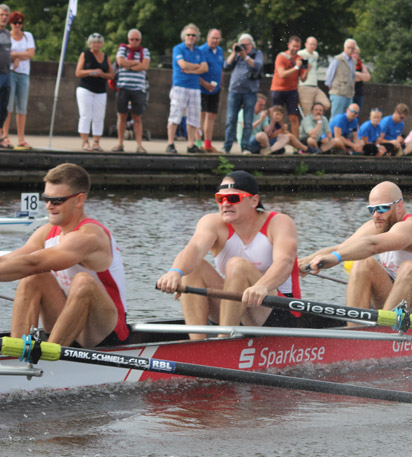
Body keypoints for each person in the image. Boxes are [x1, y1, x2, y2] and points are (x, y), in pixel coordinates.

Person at [156, 171, 300, 340]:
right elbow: (194, 248)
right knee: (194, 269)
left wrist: (262, 285)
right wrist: (175, 272)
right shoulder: (212, 222)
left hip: (278, 311)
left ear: (254, 201)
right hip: (234, 308)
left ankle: (223, 341)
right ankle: (197, 345)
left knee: (237, 265)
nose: (225, 204)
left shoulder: (279, 222)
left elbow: (285, 262)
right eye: (220, 199)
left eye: (233, 199)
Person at [5, 163, 128, 348]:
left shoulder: (90, 235)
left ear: (79, 200)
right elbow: (10, 260)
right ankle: (16, 351)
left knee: (82, 281)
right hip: (66, 321)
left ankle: (49, 354)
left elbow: (33, 262)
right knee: (34, 277)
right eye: (46, 199)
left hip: (105, 330)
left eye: (57, 201)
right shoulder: (46, 232)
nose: (48, 206)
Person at [299, 181, 412, 318]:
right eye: (372, 209)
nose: (376, 215)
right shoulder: (379, 224)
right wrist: (301, 263)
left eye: (382, 208)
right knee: (363, 264)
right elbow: (341, 247)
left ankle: (384, 333)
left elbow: (373, 245)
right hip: (398, 297)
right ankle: (354, 333)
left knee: (409, 268)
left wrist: (337, 258)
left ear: (399, 206)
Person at [166, 24, 207, 154]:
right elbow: (182, 64)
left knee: (194, 117)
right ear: (184, 36)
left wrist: (190, 70)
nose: (190, 37)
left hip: (195, 87)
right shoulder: (178, 48)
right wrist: (197, 67)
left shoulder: (199, 51)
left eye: (193, 35)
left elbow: (205, 68)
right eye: (188, 34)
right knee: (175, 115)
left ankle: (191, 145)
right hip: (180, 86)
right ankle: (170, 143)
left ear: (197, 37)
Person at [223, 33, 263, 154]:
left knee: (248, 121)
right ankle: (227, 146)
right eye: (242, 45)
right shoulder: (237, 55)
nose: (244, 47)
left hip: (250, 92)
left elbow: (257, 66)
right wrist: (235, 52)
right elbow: (225, 65)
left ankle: (245, 147)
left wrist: (245, 56)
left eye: (246, 45)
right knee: (230, 119)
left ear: (252, 45)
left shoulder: (257, 53)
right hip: (234, 91)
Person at [112, 28, 150, 153]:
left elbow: (144, 66)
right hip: (123, 87)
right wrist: (135, 63)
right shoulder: (123, 49)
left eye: (137, 39)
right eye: (132, 39)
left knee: (137, 117)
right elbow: (120, 61)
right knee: (121, 116)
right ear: (128, 39)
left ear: (140, 40)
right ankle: (120, 143)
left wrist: (128, 64)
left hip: (138, 88)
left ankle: (139, 145)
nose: (134, 41)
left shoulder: (145, 51)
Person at [75, 33, 113, 152]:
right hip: (85, 88)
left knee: (99, 116)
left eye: (98, 42)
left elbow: (111, 75)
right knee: (86, 115)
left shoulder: (106, 57)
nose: (96, 44)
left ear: (101, 44)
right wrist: (92, 72)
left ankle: (96, 141)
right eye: (94, 42)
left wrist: (102, 74)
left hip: (100, 90)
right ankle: (85, 141)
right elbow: (78, 72)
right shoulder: (85, 54)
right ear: (90, 43)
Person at [3, 10, 33, 150]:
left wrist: (16, 55)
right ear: (11, 23)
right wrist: (17, 56)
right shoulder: (7, 36)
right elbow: (5, 53)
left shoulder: (27, 36)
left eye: (20, 22)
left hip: (24, 74)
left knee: (22, 107)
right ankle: (5, 136)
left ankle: (21, 138)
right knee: (7, 107)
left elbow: (30, 53)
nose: (18, 25)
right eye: (15, 22)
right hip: (10, 73)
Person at [270, 36, 308, 139]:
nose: (296, 48)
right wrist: (296, 67)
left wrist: (307, 70)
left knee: (294, 117)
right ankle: (275, 141)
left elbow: (303, 79)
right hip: (278, 90)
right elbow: (282, 74)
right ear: (289, 45)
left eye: (298, 47)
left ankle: (296, 144)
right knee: (277, 116)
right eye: (294, 46)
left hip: (292, 91)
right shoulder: (281, 57)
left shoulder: (301, 59)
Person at [198, 29, 224, 153]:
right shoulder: (200, 50)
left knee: (211, 116)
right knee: (200, 116)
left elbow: (220, 68)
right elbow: (196, 71)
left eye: (217, 38)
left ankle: (208, 144)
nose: (215, 41)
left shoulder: (220, 51)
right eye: (213, 38)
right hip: (202, 88)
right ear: (207, 38)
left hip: (215, 89)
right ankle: (198, 144)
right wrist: (204, 83)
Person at [296, 36, 330, 115]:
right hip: (305, 86)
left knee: (326, 105)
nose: (312, 46)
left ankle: (316, 120)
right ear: (306, 44)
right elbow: (303, 71)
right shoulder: (301, 54)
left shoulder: (315, 54)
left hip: (315, 86)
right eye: (311, 44)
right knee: (307, 113)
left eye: (314, 44)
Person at [325, 38, 356, 118]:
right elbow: (329, 75)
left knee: (348, 118)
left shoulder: (354, 61)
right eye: (349, 47)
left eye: (352, 48)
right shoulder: (338, 59)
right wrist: (332, 87)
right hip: (338, 93)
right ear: (344, 48)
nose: (350, 50)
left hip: (349, 94)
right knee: (336, 117)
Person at [0, 5, 10, 149]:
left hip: (7, 73)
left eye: (6, 15)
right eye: (2, 14)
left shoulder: (7, 33)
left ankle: (1, 136)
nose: (4, 17)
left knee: (3, 107)